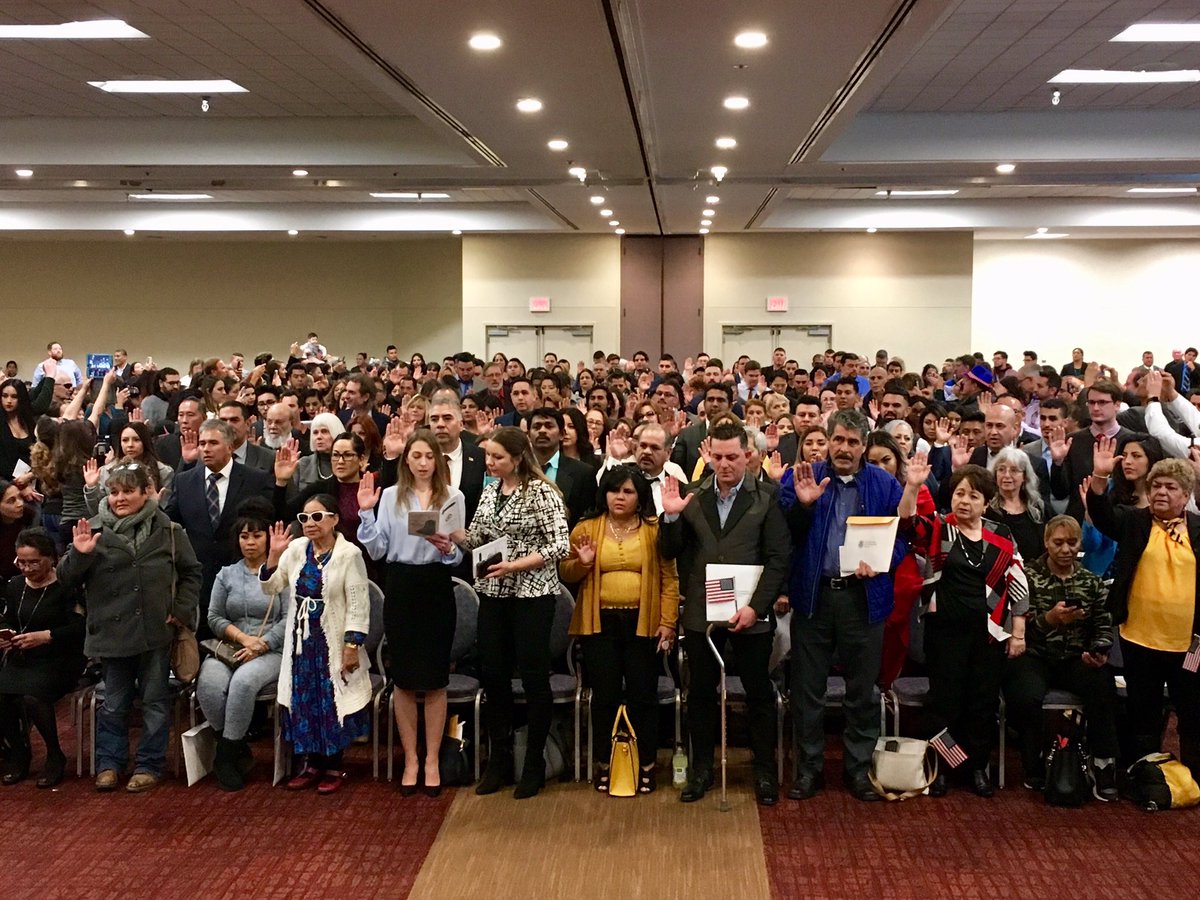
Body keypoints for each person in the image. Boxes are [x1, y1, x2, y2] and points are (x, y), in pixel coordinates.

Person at [660, 421, 791, 806]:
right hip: (702, 613)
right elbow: (670, 551)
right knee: (700, 693)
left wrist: (757, 607)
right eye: (717, 457)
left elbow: (778, 559)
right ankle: (701, 770)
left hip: (751, 613)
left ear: (747, 455)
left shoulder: (767, 497)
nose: (725, 464)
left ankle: (763, 770)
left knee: (758, 693)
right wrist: (671, 518)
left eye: (732, 456)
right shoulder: (692, 495)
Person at [779, 411, 904, 801]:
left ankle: (858, 770)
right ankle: (809, 770)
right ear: (827, 440)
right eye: (838, 440)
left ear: (864, 445)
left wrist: (881, 562)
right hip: (814, 597)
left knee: (862, 692)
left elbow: (901, 539)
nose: (844, 448)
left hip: (862, 598)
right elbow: (784, 534)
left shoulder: (884, 483)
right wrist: (804, 506)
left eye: (852, 442)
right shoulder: (803, 475)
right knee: (808, 690)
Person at [58, 462, 202, 792]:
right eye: (113, 492)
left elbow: (191, 573)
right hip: (111, 634)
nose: (119, 498)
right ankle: (109, 764)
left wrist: (180, 610)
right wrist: (79, 555)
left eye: (127, 491)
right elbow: (65, 579)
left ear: (145, 493)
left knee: (155, 702)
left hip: (156, 631)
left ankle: (149, 765)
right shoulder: (92, 529)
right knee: (113, 704)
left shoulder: (169, 530)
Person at [450, 426, 570, 800]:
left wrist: (515, 565)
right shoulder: (490, 491)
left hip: (532, 594)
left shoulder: (542, 493)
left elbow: (560, 545)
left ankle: (534, 763)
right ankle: (499, 760)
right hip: (494, 592)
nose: (489, 462)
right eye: (488, 455)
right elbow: (477, 538)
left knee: (533, 677)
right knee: (494, 675)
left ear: (517, 458)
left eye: (497, 457)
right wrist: (449, 535)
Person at [899, 460, 1029, 798]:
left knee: (981, 703)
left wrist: (1018, 631)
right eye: (959, 494)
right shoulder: (940, 528)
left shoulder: (1000, 534)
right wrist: (912, 486)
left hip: (989, 634)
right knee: (945, 703)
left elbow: (1017, 581)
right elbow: (907, 523)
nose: (964, 501)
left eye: (973, 496)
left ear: (986, 503)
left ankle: (977, 768)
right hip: (944, 632)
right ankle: (942, 768)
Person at [357, 430, 465, 796]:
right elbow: (377, 550)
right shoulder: (390, 496)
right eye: (416, 456)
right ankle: (411, 760)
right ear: (406, 460)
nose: (422, 463)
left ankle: (432, 759)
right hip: (401, 584)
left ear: (438, 460)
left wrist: (448, 548)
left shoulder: (453, 496)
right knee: (403, 679)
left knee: (435, 679)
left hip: (435, 586)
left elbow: (459, 555)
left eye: (429, 456)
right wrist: (366, 513)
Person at [1086, 441, 1200, 779]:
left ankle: (1193, 778)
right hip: (1140, 638)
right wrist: (1100, 477)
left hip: (1189, 645)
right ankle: (1144, 778)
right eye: (1156, 486)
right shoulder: (1135, 521)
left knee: (1193, 714)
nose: (1162, 492)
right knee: (1143, 713)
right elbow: (1103, 516)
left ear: (1185, 495)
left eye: (1171, 487)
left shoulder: (1198, 528)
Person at [562, 465, 679, 793]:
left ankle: (647, 764)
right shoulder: (587, 527)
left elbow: (670, 579)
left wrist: (668, 622)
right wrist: (583, 563)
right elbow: (566, 572)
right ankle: (605, 762)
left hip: (644, 624)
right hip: (600, 624)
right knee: (605, 697)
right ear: (605, 494)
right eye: (615, 490)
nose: (620, 497)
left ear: (640, 497)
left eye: (628, 491)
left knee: (644, 697)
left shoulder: (654, 530)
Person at [1002, 515, 1119, 800]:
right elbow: (1015, 628)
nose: (1066, 549)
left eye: (1072, 543)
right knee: (1025, 695)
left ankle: (1103, 763)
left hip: (1075, 658)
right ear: (1046, 542)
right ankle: (1034, 764)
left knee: (1103, 684)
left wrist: (1099, 651)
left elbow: (1103, 627)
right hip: (1035, 655)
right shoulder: (1027, 577)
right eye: (1058, 543)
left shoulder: (1091, 582)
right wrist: (1050, 620)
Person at [262, 494, 372, 794]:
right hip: (301, 644)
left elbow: (359, 604)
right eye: (304, 518)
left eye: (317, 516)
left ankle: (334, 765)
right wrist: (273, 557)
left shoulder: (349, 554)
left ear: (334, 519)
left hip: (331, 642)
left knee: (331, 702)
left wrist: (352, 646)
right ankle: (310, 764)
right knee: (303, 701)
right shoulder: (297, 549)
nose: (310, 523)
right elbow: (272, 587)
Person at [165, 419, 274, 639]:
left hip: (244, 579)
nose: (206, 448)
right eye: (202, 443)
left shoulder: (255, 479)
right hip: (200, 579)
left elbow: (271, 520)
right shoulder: (184, 481)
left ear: (230, 446)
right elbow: (170, 522)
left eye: (213, 443)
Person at [0, 528, 85, 787]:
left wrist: (47, 636)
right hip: (23, 656)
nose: (26, 568)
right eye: (21, 562)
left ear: (51, 559)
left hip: (60, 658)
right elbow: (8, 619)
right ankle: (19, 752)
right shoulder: (15, 586)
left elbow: (80, 628)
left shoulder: (66, 586)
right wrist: (5, 635)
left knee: (32, 697)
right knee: (2, 696)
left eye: (34, 562)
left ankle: (54, 754)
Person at [864, 431, 935, 690]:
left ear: (897, 460)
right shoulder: (858, 487)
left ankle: (887, 686)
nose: (880, 467)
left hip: (900, 568)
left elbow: (914, 528)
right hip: (860, 565)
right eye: (872, 462)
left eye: (886, 460)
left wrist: (912, 488)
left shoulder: (918, 488)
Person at [1049, 380, 1135, 521]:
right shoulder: (1072, 441)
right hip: (1079, 521)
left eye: (1102, 402)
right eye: (1091, 402)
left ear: (1117, 405)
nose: (1095, 408)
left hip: (1119, 521)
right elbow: (1060, 493)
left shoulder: (1132, 441)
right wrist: (1058, 463)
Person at [82, 422, 174, 514]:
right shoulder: (106, 471)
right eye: (125, 440)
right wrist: (91, 487)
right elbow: (97, 512)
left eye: (136, 440)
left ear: (145, 442)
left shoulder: (163, 471)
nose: (130, 445)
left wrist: (154, 504)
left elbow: (167, 512)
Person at [528, 408, 594, 528]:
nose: (542, 431)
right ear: (528, 435)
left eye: (549, 426)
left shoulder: (583, 473)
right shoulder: (517, 470)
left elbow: (587, 520)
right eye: (536, 427)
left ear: (562, 434)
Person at [988, 447, 1046, 563]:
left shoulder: (1037, 508)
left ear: (1024, 476)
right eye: (1001, 470)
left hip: (1035, 571)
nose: (1007, 475)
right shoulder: (987, 509)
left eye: (1014, 470)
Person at [0, 379, 36, 483]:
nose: (9, 401)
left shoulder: (30, 423)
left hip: (30, 480)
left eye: (14, 396)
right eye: (5, 396)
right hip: (5, 483)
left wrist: (31, 475)